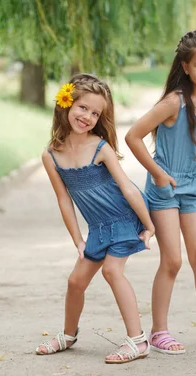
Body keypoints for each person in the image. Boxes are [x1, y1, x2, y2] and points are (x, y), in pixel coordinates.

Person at [125, 28, 196, 354]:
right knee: (172, 260)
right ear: (186, 67)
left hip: (194, 188)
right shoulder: (175, 102)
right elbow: (133, 136)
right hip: (165, 189)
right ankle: (159, 331)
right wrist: (158, 174)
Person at [35, 73, 155, 364]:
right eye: (82, 107)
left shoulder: (100, 147)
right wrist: (77, 239)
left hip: (123, 218)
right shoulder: (51, 156)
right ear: (66, 104)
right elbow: (64, 199)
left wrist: (149, 225)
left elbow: (127, 187)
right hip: (99, 228)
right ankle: (68, 334)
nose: (88, 116)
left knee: (112, 271)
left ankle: (138, 341)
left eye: (95, 112)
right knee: (76, 281)